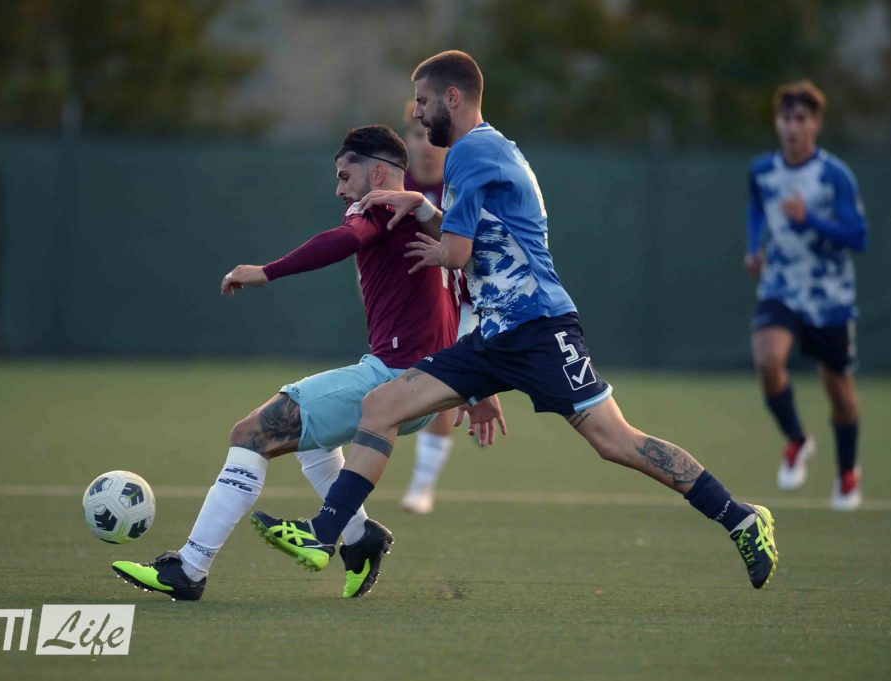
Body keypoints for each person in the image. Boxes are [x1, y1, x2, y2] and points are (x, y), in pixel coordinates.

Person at [252, 50, 780, 590]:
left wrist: (433, 244)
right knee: (381, 405)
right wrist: (425, 209)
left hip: (540, 328)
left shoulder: (468, 152)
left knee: (616, 441)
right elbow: (483, 234)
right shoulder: (490, 147)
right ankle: (324, 533)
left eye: (424, 101)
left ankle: (740, 518)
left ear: (453, 97)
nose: (418, 114)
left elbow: (458, 253)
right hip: (494, 335)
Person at [111, 124, 477, 601]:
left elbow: (344, 240)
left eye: (345, 176)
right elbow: (469, 291)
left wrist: (267, 271)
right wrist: (473, 383)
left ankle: (190, 568)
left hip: (392, 380)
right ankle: (359, 537)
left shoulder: (382, 208)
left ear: (378, 174)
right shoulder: (436, 224)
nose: (340, 189)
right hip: (424, 388)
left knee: (251, 433)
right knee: (312, 444)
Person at [745, 80, 868, 510]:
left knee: (839, 392)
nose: (793, 127)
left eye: (801, 119)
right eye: (786, 118)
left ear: (816, 123)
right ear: (777, 123)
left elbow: (859, 236)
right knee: (767, 359)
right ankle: (797, 440)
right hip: (781, 285)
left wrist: (809, 220)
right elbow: (757, 206)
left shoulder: (834, 175)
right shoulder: (763, 170)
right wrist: (754, 247)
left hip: (830, 297)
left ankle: (847, 473)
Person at [399, 99, 478, 514]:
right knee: (390, 389)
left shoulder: (460, 184)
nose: (426, 144)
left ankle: (421, 486)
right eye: (418, 134)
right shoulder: (398, 187)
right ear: (407, 139)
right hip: (411, 306)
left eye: (433, 136)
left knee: (438, 387)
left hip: (462, 306)